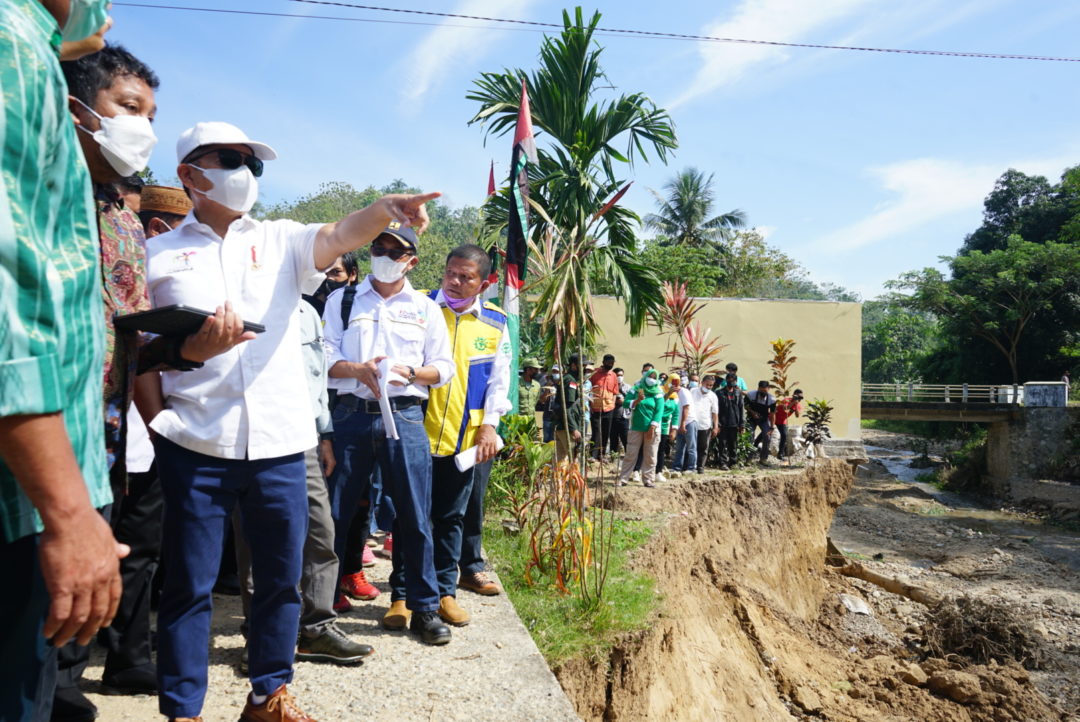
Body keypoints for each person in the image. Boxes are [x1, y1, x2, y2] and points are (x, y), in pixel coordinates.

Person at [146, 120, 439, 721]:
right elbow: (139, 352)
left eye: (252, 165)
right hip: (196, 440)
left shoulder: (280, 239)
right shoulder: (158, 253)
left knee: (284, 581)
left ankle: (268, 696)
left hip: (281, 444)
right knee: (188, 588)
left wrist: (384, 210)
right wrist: (160, 426)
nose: (243, 175)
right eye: (229, 160)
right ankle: (182, 710)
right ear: (188, 174)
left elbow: (337, 233)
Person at [0, 3, 126, 720]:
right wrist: (68, 511)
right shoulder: (12, 50)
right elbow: (6, 317)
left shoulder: (32, 52)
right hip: (21, 499)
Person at [61, 42, 162, 719]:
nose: (143, 127)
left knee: (74, 597)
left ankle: (64, 688)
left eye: (152, 114)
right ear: (76, 111)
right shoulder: (33, 197)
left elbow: (132, 333)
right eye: (129, 107)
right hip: (37, 434)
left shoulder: (124, 221)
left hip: (106, 437)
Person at [323, 223, 455, 647]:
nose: (382, 255)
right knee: (335, 514)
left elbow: (443, 367)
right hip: (351, 416)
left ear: (411, 262)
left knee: (415, 514)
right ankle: (316, 610)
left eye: (393, 251)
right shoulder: (343, 300)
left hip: (405, 416)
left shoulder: (425, 308)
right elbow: (322, 353)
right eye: (378, 246)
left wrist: (411, 373)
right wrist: (355, 370)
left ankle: (424, 608)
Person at [232, 294, 374, 672]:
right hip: (252, 434)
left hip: (304, 435)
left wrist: (325, 433)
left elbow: (315, 379)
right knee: (254, 537)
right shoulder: (245, 301)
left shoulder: (308, 312)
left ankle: (317, 628)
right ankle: (259, 634)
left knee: (320, 532)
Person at [423, 244, 511, 618]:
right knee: (413, 511)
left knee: (462, 509)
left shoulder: (495, 322)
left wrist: (490, 425)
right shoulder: (421, 307)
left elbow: (498, 379)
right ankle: (411, 584)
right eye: (451, 274)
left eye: (466, 277)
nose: (456, 282)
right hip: (418, 429)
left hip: (468, 434)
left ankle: (466, 569)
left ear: (485, 283)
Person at [617, 369, 665, 487]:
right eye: (650, 376)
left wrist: (652, 427)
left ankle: (648, 480)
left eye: (654, 377)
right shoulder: (637, 389)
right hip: (636, 427)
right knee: (631, 454)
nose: (651, 379)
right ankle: (623, 479)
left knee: (650, 455)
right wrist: (637, 400)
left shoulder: (658, 392)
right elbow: (625, 403)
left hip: (652, 429)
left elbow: (659, 411)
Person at [552, 355, 585, 463]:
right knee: (573, 458)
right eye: (582, 365)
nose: (584, 368)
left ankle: (559, 480)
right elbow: (567, 407)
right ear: (574, 366)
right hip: (566, 427)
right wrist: (574, 428)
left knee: (560, 460)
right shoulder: (571, 381)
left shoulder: (566, 378)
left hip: (560, 425)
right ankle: (573, 480)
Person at [588, 354, 620, 461]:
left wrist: (613, 404)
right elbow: (589, 389)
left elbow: (615, 392)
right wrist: (590, 405)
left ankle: (601, 454)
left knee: (606, 432)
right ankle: (593, 455)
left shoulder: (613, 376)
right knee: (596, 431)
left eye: (612, 363)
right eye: (608, 363)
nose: (610, 365)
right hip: (595, 408)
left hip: (609, 408)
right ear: (603, 362)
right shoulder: (595, 373)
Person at [669, 373, 699, 476]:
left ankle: (692, 468)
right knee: (679, 447)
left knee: (691, 447)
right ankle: (677, 467)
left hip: (689, 422)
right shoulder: (673, 394)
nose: (674, 385)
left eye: (676, 383)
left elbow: (686, 408)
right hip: (680, 424)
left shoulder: (684, 392)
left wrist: (683, 424)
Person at [716, 374, 745, 469]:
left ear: (736, 381)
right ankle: (723, 463)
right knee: (722, 444)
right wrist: (717, 424)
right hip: (722, 423)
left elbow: (741, 409)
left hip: (734, 423)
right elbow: (716, 409)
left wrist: (742, 424)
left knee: (733, 444)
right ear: (726, 380)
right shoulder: (719, 393)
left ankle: (733, 462)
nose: (731, 382)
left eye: (733, 380)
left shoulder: (738, 393)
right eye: (729, 380)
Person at [692, 374, 720, 473]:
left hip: (705, 426)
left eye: (711, 385)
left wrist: (715, 427)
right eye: (707, 384)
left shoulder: (713, 396)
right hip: (692, 424)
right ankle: (690, 466)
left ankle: (700, 467)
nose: (708, 387)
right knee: (691, 447)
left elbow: (715, 413)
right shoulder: (693, 392)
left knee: (703, 447)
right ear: (702, 383)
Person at [746, 381, 778, 464]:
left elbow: (772, 414)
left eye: (765, 391)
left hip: (763, 419)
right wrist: (753, 413)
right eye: (761, 391)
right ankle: (748, 458)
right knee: (750, 436)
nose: (763, 392)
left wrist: (772, 427)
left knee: (767, 436)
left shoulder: (772, 399)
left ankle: (763, 459)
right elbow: (745, 405)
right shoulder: (750, 395)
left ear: (768, 389)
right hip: (751, 418)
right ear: (758, 388)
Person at [774, 388, 804, 461]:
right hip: (774, 417)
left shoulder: (798, 405)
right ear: (793, 395)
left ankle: (780, 454)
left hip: (782, 421)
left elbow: (797, 415)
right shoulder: (786, 399)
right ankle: (755, 446)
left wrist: (796, 405)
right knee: (765, 433)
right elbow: (786, 408)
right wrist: (793, 402)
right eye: (798, 397)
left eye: (800, 398)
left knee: (784, 435)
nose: (799, 399)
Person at [610, 368, 631, 455]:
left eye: (621, 375)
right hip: (612, 417)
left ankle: (629, 458)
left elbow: (633, 400)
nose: (619, 377)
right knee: (613, 440)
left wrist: (624, 401)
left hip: (624, 417)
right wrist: (615, 401)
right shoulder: (610, 386)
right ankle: (612, 458)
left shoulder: (628, 387)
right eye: (618, 375)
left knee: (626, 439)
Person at [518, 357, 542, 423]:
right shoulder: (516, 384)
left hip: (531, 421)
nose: (538, 372)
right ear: (528, 370)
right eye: (536, 369)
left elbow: (536, 401)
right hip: (518, 421)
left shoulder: (537, 385)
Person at [539, 366, 558, 443]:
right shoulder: (546, 384)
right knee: (546, 440)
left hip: (557, 418)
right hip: (547, 417)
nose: (555, 374)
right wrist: (548, 387)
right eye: (554, 372)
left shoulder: (562, 386)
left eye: (557, 372)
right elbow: (542, 400)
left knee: (554, 441)